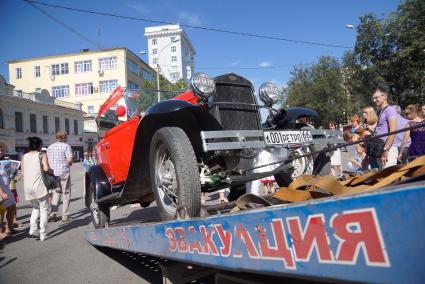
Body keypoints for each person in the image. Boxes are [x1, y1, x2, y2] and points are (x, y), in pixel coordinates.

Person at [22, 137, 49, 241]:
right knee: (44, 209)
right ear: (39, 145)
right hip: (39, 186)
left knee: (35, 208)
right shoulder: (41, 155)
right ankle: (43, 233)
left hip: (28, 187)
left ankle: (32, 230)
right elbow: (46, 169)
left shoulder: (24, 156)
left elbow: (23, 172)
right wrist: (51, 171)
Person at [47, 131, 73, 222]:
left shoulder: (50, 147)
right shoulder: (66, 146)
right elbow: (69, 159)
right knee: (66, 193)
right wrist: (70, 163)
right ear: (64, 137)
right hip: (63, 172)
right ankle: (65, 216)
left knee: (56, 193)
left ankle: (53, 213)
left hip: (53, 173)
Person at [372, 85, 398, 168]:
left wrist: (386, 150)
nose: (374, 100)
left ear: (385, 96)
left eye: (376, 97)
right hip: (381, 148)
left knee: (388, 177)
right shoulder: (381, 111)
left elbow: (393, 131)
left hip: (388, 149)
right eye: (373, 98)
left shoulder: (390, 110)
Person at [0, 146, 17, 239]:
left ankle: (9, 229)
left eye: (1, 150)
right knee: (1, 212)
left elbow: (8, 176)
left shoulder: (3, 163)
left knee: (12, 207)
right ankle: (0, 232)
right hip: (1, 191)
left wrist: (13, 175)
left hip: (6, 189)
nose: (0, 152)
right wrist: (2, 193)